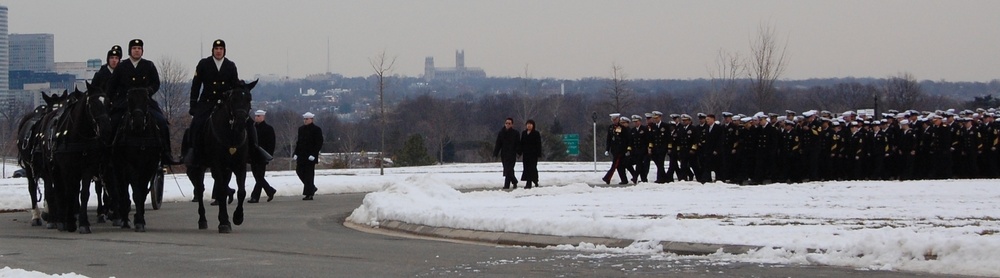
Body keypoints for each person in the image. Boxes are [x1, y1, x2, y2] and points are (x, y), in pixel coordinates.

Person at [107, 39, 178, 165]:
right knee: (112, 123)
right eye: (134, 48)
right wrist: (112, 102)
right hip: (125, 103)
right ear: (130, 51)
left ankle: (166, 153)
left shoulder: (148, 65)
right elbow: (111, 86)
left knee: (161, 122)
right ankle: (108, 153)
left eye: (139, 48)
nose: (137, 50)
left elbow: (156, 83)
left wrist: (148, 91)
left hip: (145, 103)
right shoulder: (121, 67)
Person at [248, 110, 277, 203]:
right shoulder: (252, 128)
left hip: (262, 156)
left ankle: (255, 197)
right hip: (253, 155)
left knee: (259, 176)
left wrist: (268, 156)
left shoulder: (268, 128)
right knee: (257, 176)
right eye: (256, 116)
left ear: (263, 117)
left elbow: (271, 144)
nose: (257, 118)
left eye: (259, 116)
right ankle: (270, 190)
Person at [294, 112, 323, 200]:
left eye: (307, 119)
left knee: (309, 174)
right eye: (304, 119)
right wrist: (296, 153)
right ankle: (311, 188)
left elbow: (318, 143)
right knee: (299, 171)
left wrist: (314, 154)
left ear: (311, 119)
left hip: (310, 156)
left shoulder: (316, 129)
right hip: (302, 155)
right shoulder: (301, 129)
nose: (305, 121)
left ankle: (309, 194)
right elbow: (299, 142)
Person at [493, 118, 520, 189]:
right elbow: (498, 144)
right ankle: (514, 182)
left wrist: (519, 152)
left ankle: (507, 185)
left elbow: (518, 144)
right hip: (504, 154)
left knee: (509, 169)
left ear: (512, 124)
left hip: (512, 154)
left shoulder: (515, 133)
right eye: (506, 123)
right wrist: (495, 153)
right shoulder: (501, 133)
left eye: (509, 123)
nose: (507, 125)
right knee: (507, 169)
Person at [518, 119, 542, 189]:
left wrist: (539, 153)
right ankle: (530, 181)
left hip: (533, 154)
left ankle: (532, 182)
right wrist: (520, 152)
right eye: (528, 124)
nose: (529, 125)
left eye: (530, 124)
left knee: (532, 168)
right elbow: (522, 143)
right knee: (526, 168)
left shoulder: (536, 133)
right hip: (526, 154)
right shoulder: (524, 133)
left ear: (533, 125)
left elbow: (538, 144)